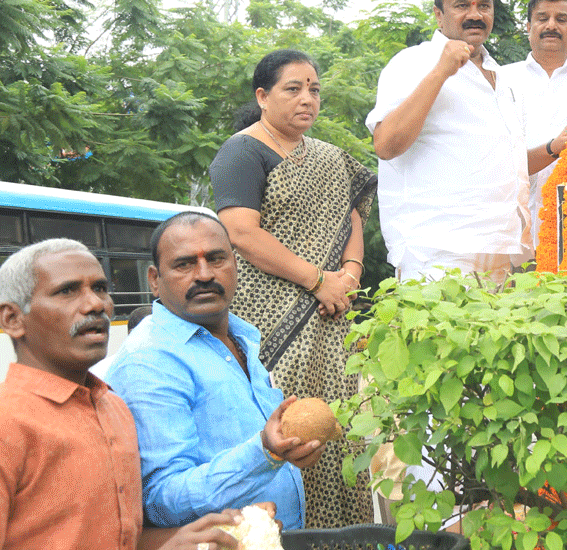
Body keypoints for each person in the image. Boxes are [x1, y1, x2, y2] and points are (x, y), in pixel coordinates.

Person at [208, 48, 376, 527]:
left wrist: (349, 274)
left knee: (337, 428)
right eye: (293, 88)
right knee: (283, 429)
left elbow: (352, 219)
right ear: (263, 96)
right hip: (269, 321)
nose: (308, 98)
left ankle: (345, 535)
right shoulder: (242, 151)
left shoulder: (329, 159)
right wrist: (318, 280)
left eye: (315, 89)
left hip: (332, 316)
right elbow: (242, 233)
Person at [0, 238, 255, 550]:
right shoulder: (8, 423)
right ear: (13, 319)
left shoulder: (113, 407)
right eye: (66, 291)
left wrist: (186, 539)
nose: (96, 304)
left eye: (101, 288)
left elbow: (119, 539)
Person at [366, 0, 567, 282]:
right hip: (438, 256)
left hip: (502, 253)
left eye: (484, 5)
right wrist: (441, 71)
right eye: (462, 5)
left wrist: (554, 147)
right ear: (439, 14)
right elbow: (386, 144)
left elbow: (508, 167)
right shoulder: (414, 62)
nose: (475, 15)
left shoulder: (503, 79)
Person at [107, 212, 326, 530]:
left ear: (235, 264)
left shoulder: (242, 336)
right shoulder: (149, 360)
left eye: (216, 258)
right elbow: (162, 502)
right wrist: (265, 452)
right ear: (155, 279)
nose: (205, 274)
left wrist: (289, 450)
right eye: (184, 264)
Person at [502, 0, 567, 251]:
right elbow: (493, 163)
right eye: (542, 18)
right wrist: (555, 147)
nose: (551, 25)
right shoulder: (500, 80)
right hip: (509, 235)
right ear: (528, 27)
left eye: (561, 19)